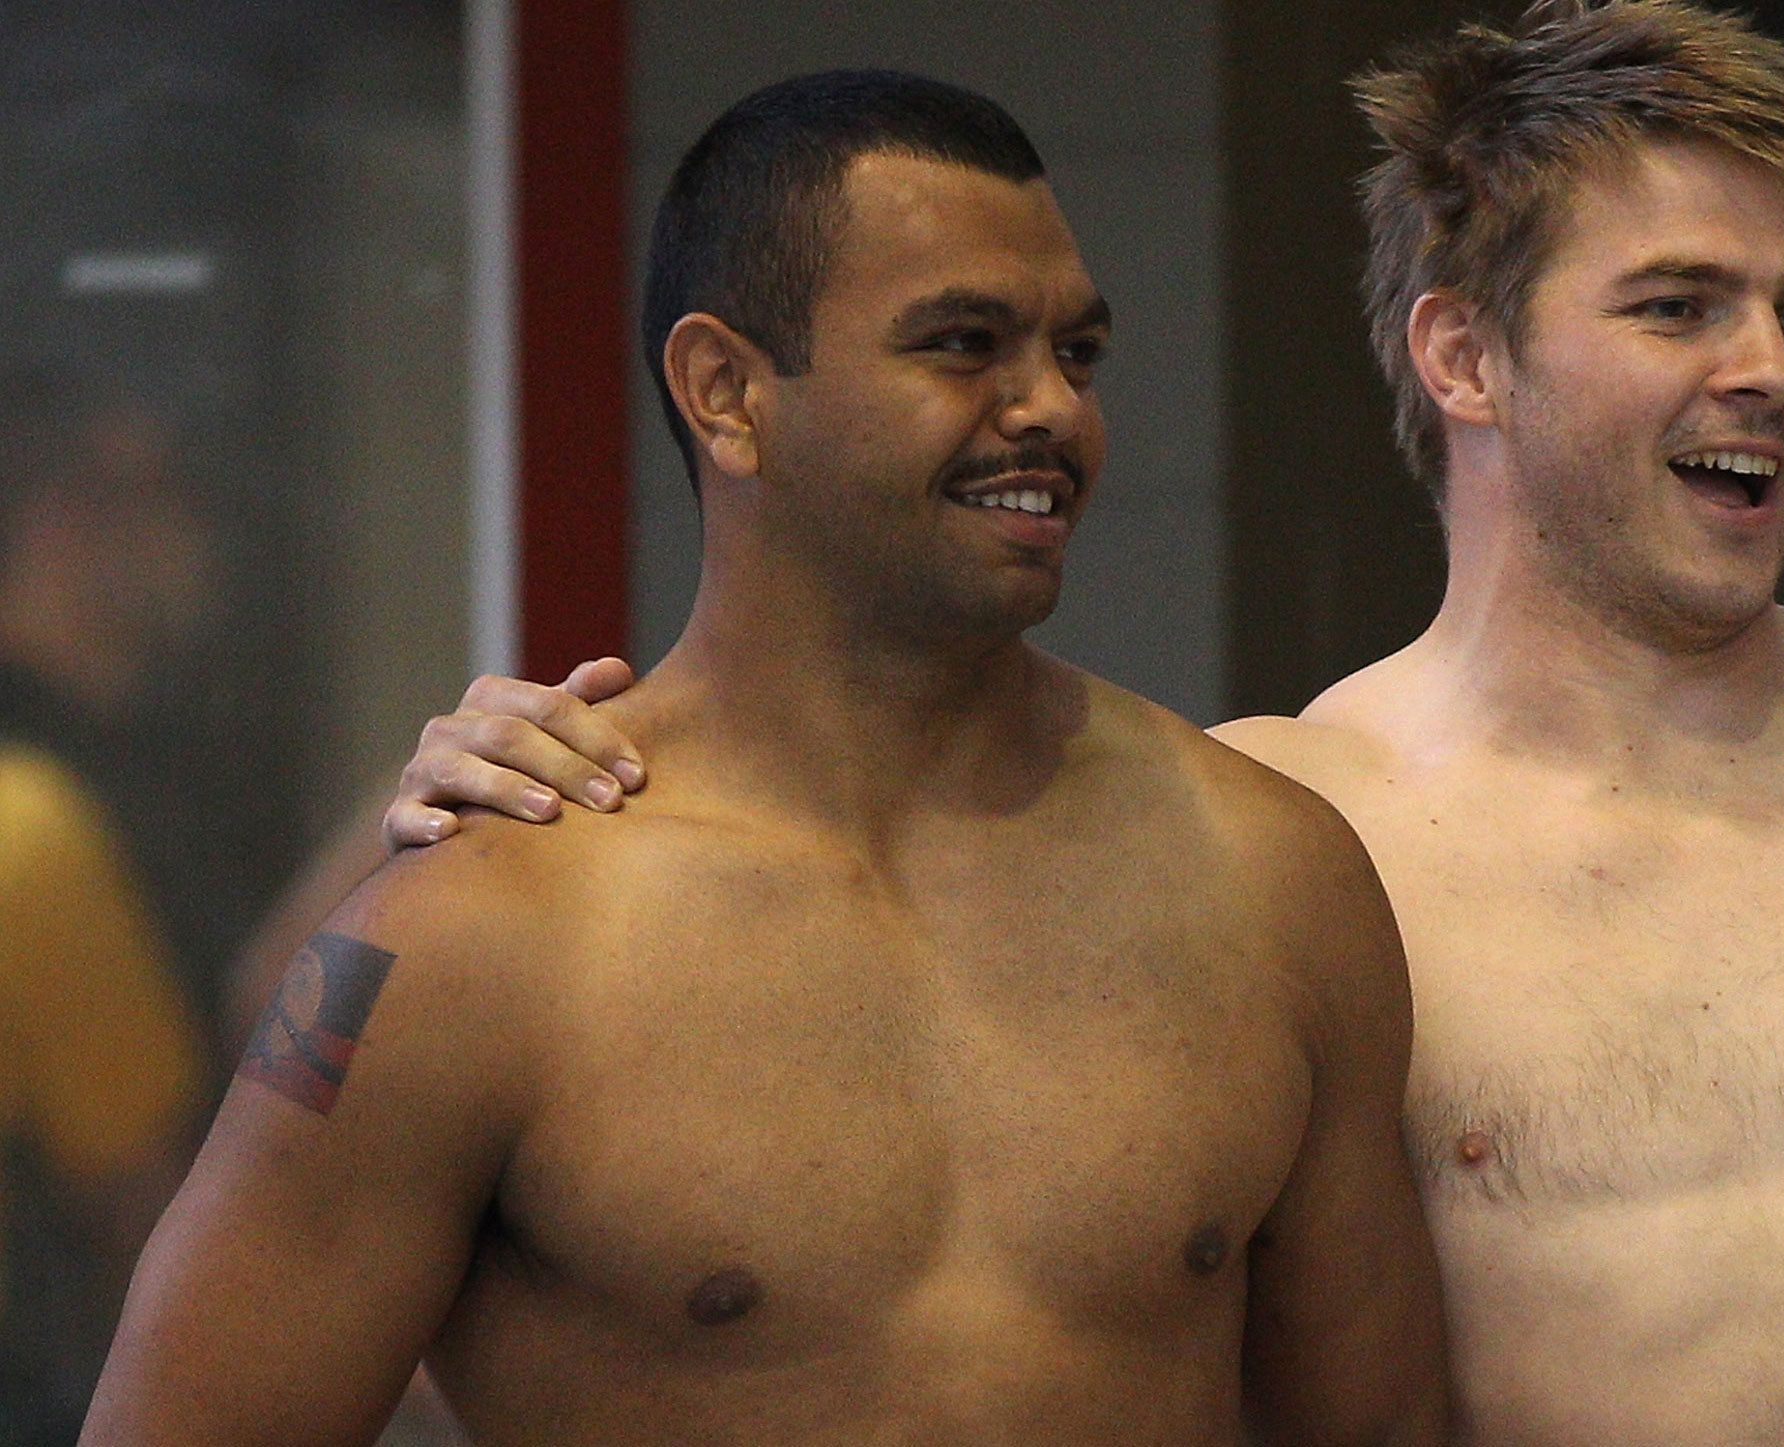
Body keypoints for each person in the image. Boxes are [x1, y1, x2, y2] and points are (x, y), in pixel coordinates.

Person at [388, 3, 1784, 1442]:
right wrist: (508, 778)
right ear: (1464, 352)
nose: (1771, 367)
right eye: (1681, 304)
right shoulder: (1255, 841)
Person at [84, 70, 1445, 1446]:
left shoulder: (1272, 877)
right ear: (725, 392)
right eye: (962, 344)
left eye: (1076, 353)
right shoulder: (482, 936)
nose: (1048, 408)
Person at [1, 370, 207, 1445]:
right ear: (62, 522)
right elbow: (145, 1224)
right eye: (161, 493)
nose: (199, 536)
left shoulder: (120, 763)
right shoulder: (31, 818)